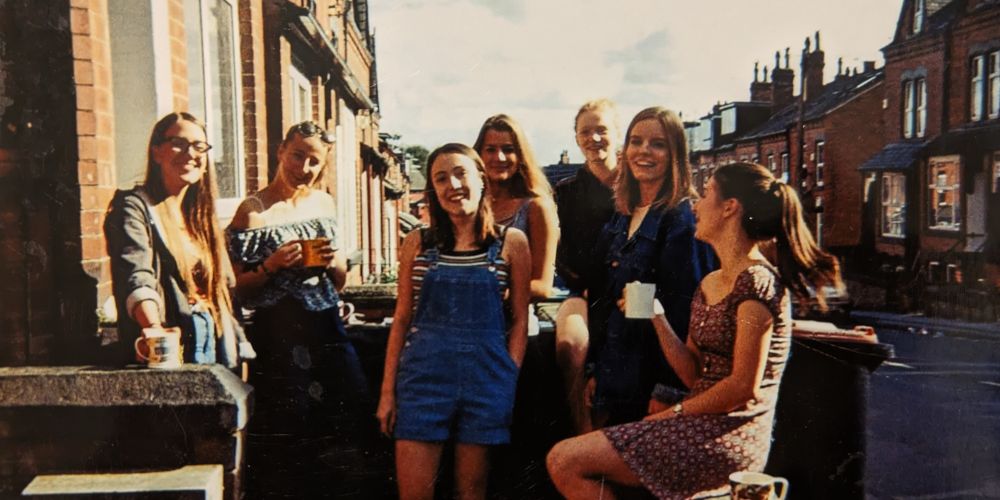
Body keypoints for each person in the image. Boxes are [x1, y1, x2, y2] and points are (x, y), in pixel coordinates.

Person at [547, 161, 844, 499]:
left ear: (730, 208)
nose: (696, 205)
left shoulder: (757, 283)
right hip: (701, 419)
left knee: (564, 460)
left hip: (732, 433)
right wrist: (656, 315)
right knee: (570, 458)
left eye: (705, 195)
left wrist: (673, 414)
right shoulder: (711, 282)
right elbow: (694, 374)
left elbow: (743, 387)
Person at [376, 143, 531, 500]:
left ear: (481, 177)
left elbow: (520, 320)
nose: (453, 185)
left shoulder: (511, 243)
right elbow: (401, 320)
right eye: (441, 178)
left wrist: (507, 376)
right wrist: (387, 394)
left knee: (471, 493)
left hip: (486, 382)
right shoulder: (418, 242)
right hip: (422, 381)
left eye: (460, 173)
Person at [226, 121, 370, 496]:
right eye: (297, 156)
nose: (303, 168)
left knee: (351, 402)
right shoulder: (253, 211)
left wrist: (331, 262)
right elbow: (236, 288)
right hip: (277, 329)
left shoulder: (324, 204)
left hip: (325, 324)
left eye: (313, 161)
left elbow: (338, 282)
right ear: (280, 152)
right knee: (290, 419)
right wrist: (272, 265)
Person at [585, 106, 715, 428]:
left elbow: (689, 312)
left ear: (674, 154)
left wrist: (669, 390)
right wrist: (594, 371)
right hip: (613, 375)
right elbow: (602, 299)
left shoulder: (682, 221)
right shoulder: (621, 215)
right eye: (636, 141)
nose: (643, 151)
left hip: (652, 384)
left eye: (657, 144)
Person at [105, 112, 248, 369]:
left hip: (215, 342)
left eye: (199, 146)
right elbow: (136, 273)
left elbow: (224, 290)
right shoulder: (134, 207)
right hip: (172, 346)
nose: (191, 154)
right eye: (179, 143)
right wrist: (154, 330)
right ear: (157, 152)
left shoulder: (201, 216)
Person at [553, 98, 621, 434]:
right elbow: (561, 256)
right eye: (586, 132)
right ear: (576, 138)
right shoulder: (566, 192)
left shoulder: (638, 185)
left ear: (617, 133)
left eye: (602, 130)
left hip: (633, 295)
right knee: (570, 344)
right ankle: (580, 432)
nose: (594, 138)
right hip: (584, 291)